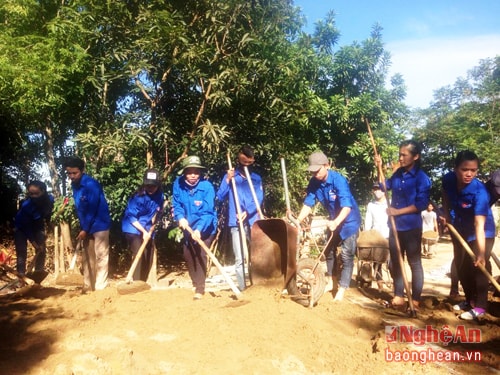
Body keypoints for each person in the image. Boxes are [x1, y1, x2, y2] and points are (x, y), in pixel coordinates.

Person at [295, 151, 361, 302]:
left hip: (349, 221)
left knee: (346, 255)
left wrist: (336, 222)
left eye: (317, 171)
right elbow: (308, 204)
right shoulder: (314, 183)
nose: (314, 174)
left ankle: (342, 288)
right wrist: (297, 220)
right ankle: (332, 282)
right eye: (312, 172)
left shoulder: (339, 180)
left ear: (327, 165)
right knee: (329, 252)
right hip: (334, 220)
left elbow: (346, 207)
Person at [375, 140, 431, 311]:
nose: (400, 158)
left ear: (415, 156)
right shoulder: (398, 174)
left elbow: (421, 204)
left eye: (404, 155)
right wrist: (380, 168)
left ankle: (415, 299)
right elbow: (384, 187)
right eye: (399, 154)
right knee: (396, 262)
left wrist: (397, 212)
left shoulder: (422, 179)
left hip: (411, 227)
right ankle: (398, 295)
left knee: (414, 263)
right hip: (395, 227)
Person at [442, 150, 495, 320]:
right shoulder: (448, 179)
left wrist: (480, 253)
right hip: (460, 227)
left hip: (483, 232)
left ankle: (480, 306)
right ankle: (469, 300)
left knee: (478, 267)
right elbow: (444, 194)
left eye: (473, 170)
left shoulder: (480, 192)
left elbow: (479, 224)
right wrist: (446, 213)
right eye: (465, 169)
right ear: (455, 168)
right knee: (461, 265)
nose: (469, 174)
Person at [216, 146, 263, 291]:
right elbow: (219, 196)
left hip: (253, 221)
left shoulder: (256, 179)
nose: (246, 166)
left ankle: (258, 286)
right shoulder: (231, 177)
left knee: (257, 256)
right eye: (244, 163)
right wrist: (227, 180)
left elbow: (259, 198)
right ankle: (243, 288)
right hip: (235, 222)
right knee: (239, 258)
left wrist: (247, 212)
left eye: (249, 163)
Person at [172, 155, 217, 300]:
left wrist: (199, 229)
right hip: (188, 226)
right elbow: (177, 205)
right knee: (188, 254)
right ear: (184, 172)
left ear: (200, 173)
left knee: (201, 255)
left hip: (206, 227)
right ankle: (195, 282)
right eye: (189, 172)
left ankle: (200, 288)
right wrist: (180, 218)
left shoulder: (207, 187)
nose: (193, 175)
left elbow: (208, 212)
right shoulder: (178, 184)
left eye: (196, 172)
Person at [64, 156, 111, 291]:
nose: (71, 176)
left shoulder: (91, 184)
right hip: (86, 224)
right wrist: (84, 227)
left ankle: (101, 286)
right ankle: (88, 285)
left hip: (100, 224)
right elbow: (81, 208)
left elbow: (92, 208)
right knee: (87, 255)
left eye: (74, 173)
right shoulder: (74, 185)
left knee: (101, 255)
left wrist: (85, 229)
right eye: (69, 173)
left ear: (82, 170)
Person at [122, 169, 165, 281]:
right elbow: (131, 217)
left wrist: (160, 213)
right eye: (148, 186)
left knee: (148, 254)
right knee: (138, 253)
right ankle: (136, 282)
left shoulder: (159, 195)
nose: (151, 188)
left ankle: (143, 281)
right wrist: (144, 232)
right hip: (133, 228)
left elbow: (159, 208)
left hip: (147, 227)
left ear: (158, 185)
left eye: (153, 186)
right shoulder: (137, 197)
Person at [14, 180, 54, 277]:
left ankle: (38, 274)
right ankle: (21, 276)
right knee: (21, 251)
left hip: (38, 225)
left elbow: (47, 214)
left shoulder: (50, 200)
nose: (33, 196)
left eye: (36, 193)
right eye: (31, 194)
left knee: (41, 250)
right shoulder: (26, 206)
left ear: (43, 191)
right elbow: (26, 227)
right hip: (21, 227)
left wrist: (49, 224)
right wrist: (34, 243)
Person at [364, 182, 389, 290]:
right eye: (375, 189)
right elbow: (368, 222)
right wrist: (366, 236)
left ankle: (397, 287)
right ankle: (380, 285)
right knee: (376, 261)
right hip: (376, 238)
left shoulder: (390, 203)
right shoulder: (371, 205)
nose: (377, 191)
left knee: (391, 262)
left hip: (389, 236)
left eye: (379, 189)